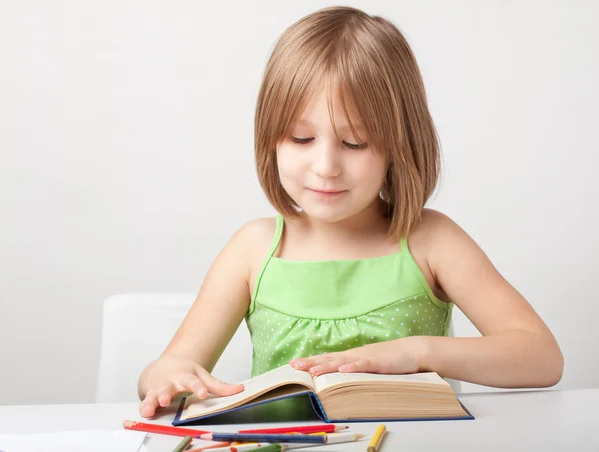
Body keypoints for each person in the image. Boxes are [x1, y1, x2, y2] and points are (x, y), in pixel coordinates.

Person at [137, 5, 563, 418]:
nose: (326, 167)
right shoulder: (254, 248)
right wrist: (167, 375)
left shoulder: (431, 240)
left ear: (399, 146)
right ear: (271, 140)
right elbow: (163, 372)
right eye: (301, 139)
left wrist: (416, 351)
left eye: (355, 143)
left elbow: (541, 358)